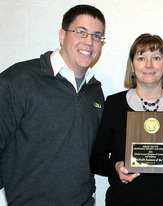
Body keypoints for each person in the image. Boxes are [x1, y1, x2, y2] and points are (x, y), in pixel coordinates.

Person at [0, 4, 106, 205]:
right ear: (62, 35)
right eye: (81, 32)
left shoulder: (95, 92)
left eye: (96, 36)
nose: (89, 42)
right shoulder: (18, 79)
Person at [90, 33, 163, 206]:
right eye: (141, 58)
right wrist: (116, 166)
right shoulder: (114, 105)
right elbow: (96, 159)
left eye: (156, 57)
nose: (149, 65)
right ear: (132, 67)